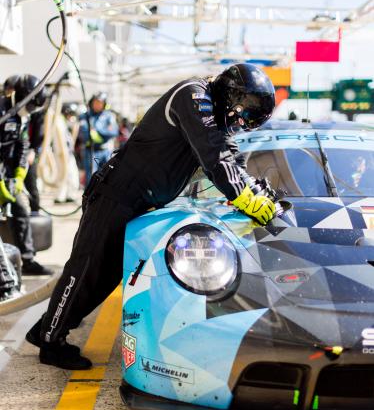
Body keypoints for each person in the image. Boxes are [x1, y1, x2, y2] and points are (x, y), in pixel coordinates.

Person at [26, 63, 276, 370]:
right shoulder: (193, 96)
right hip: (116, 194)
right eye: (242, 113)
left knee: (104, 278)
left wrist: (253, 189)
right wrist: (246, 197)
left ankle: (45, 329)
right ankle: (51, 343)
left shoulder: (214, 115)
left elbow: (229, 157)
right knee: (86, 270)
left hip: (137, 202)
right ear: (231, 95)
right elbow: (215, 158)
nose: (240, 121)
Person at [0, 74, 53, 276]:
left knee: (21, 206)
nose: (30, 111)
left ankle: (27, 260)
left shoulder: (24, 116)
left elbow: (23, 145)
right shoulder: (2, 110)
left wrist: (19, 176)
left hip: (9, 170)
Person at [78, 93, 119, 186]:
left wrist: (98, 131)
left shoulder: (109, 116)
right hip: (91, 151)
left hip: (105, 151)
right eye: (96, 102)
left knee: (107, 176)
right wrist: (103, 132)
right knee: (92, 177)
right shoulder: (85, 116)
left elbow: (113, 132)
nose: (97, 105)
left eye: (100, 103)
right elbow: (84, 134)